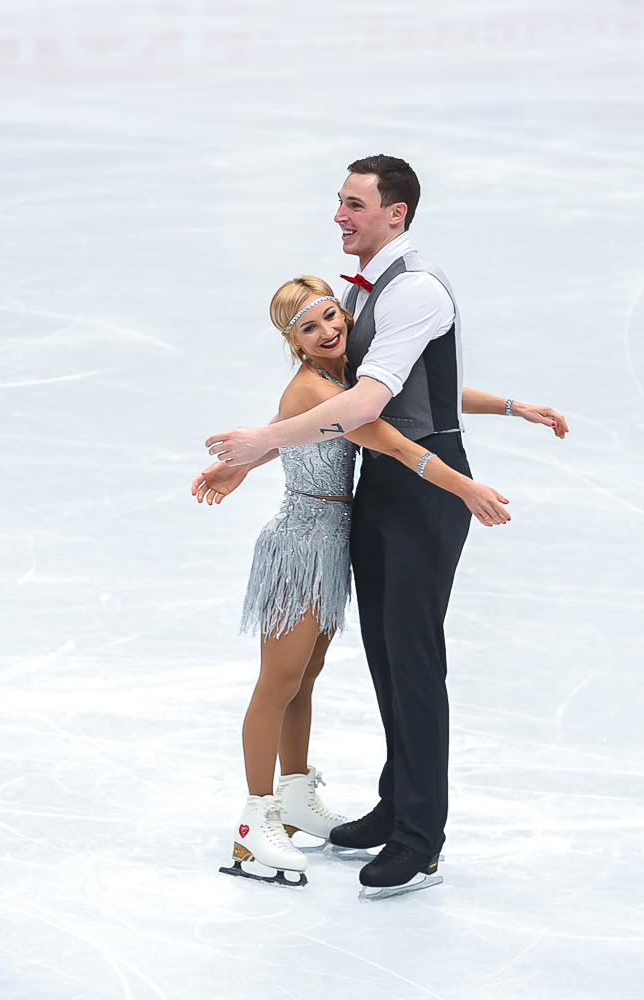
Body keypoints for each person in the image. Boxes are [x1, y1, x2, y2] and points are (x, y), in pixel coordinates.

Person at [204, 155, 569, 899]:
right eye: (338, 201)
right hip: (379, 488)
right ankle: (396, 803)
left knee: (413, 660)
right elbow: (384, 392)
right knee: (386, 658)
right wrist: (257, 456)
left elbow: (371, 408)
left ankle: (419, 837)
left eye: (354, 203)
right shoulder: (358, 296)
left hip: (425, 482)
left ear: (395, 213)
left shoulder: (415, 289)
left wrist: (262, 441)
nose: (339, 215)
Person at [193, 275, 513, 888]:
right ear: (293, 341)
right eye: (308, 328)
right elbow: (395, 444)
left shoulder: (345, 380)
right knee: (279, 681)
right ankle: (254, 821)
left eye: (331, 316)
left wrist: (510, 407)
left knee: (305, 677)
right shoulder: (316, 387)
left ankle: (293, 795)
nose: (328, 331)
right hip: (299, 545)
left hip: (332, 542)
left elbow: (421, 400)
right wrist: (465, 487)